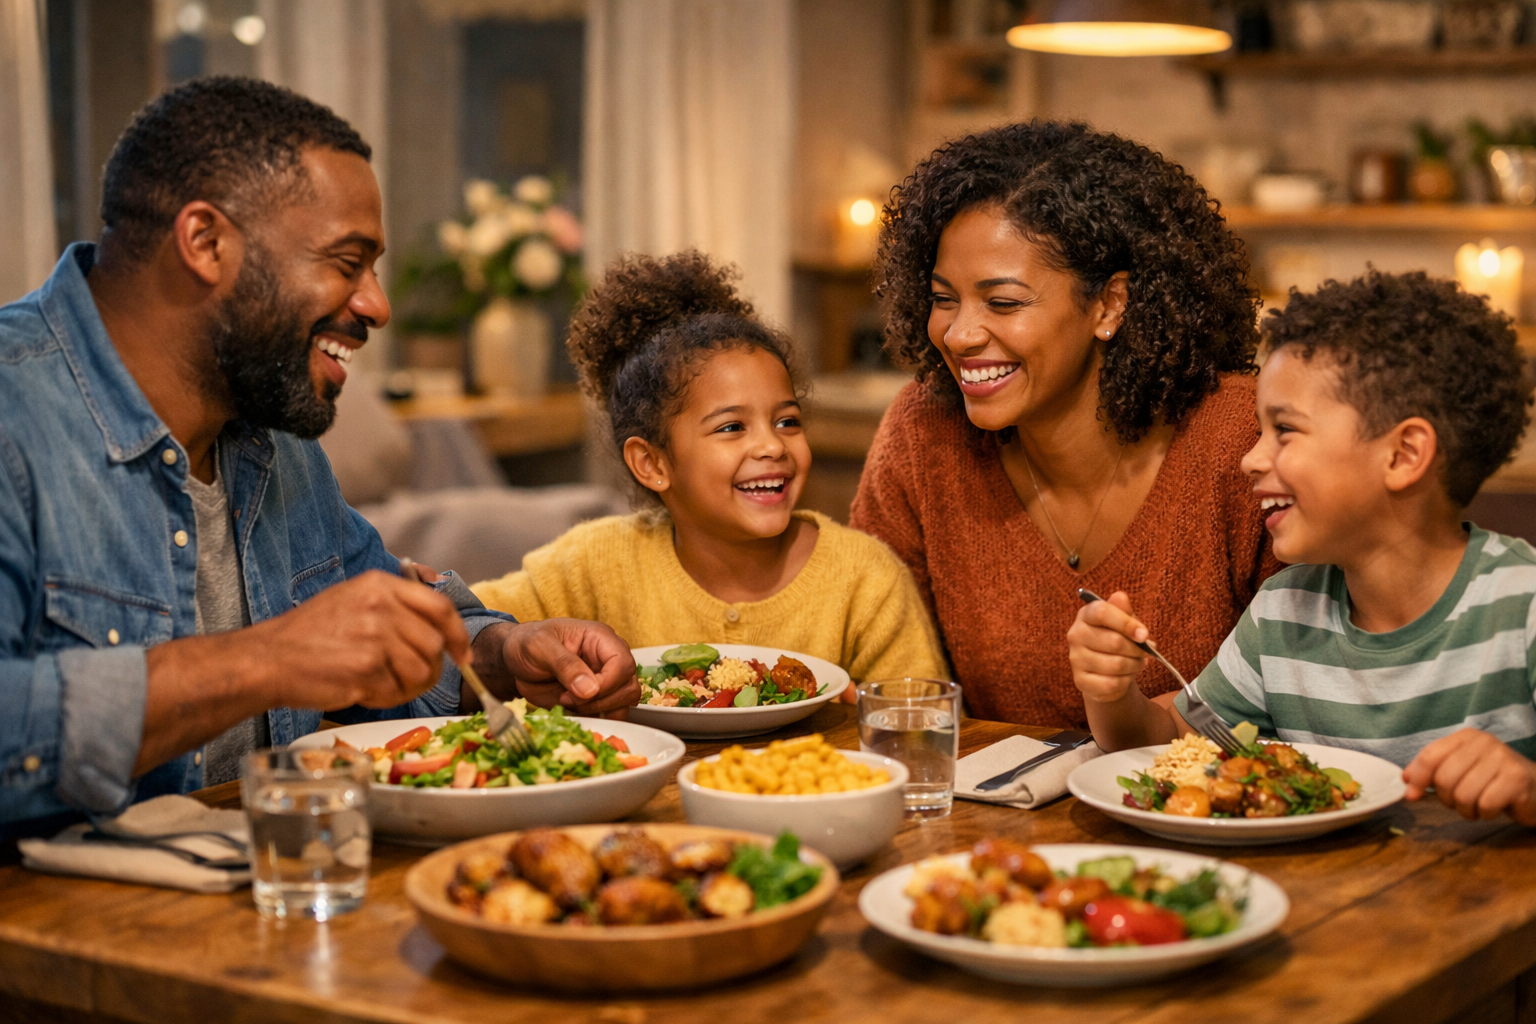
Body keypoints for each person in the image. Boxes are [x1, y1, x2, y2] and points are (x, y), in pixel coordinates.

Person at [0, 77, 636, 836]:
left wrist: (503, 654)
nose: (377, 306)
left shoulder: (274, 441)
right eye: (346, 261)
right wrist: (263, 660)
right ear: (205, 243)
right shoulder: (15, 417)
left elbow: (384, 642)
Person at [850, 120, 1282, 728]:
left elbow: (1302, 690)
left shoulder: (1244, 438)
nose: (960, 334)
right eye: (944, 299)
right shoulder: (924, 434)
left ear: (1109, 304)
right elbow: (885, 673)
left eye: (1003, 302)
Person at [1068, 270, 1536, 824]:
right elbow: (1169, 743)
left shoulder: (1523, 605)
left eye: (1284, 430)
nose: (1251, 459)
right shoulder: (1284, 611)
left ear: (1404, 455)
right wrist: (1110, 691)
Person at [471, 252, 946, 695]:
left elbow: (921, 723)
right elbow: (462, 636)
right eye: (732, 427)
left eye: (787, 421)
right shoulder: (592, 566)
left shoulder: (864, 579)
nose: (772, 445)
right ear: (652, 463)